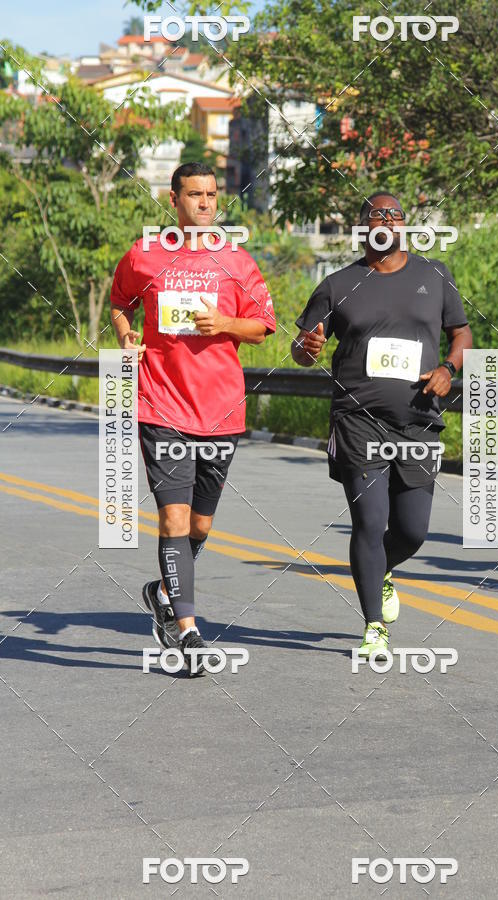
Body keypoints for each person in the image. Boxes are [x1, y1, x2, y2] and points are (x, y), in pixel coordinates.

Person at [110, 162, 276, 675]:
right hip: (161, 405)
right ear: (173, 199)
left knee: (200, 525)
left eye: (211, 195)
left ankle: (160, 591)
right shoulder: (145, 255)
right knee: (174, 520)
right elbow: (120, 303)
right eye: (194, 195)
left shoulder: (236, 260)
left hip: (221, 409)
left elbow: (263, 327)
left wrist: (225, 322)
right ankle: (188, 632)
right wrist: (124, 333)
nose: (205, 204)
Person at [291, 192, 472, 657]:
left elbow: (461, 332)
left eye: (396, 214)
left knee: (412, 530)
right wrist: (305, 350)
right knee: (370, 522)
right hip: (357, 421)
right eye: (378, 214)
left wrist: (449, 368)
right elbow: (302, 346)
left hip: (418, 422)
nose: (387, 220)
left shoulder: (434, 275)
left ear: (404, 224)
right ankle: (374, 626)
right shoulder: (338, 284)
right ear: (363, 225)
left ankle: (381, 571)